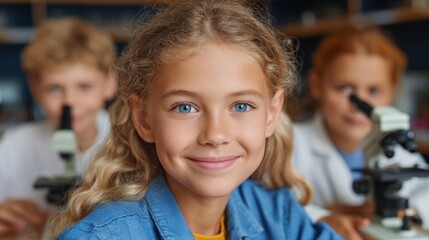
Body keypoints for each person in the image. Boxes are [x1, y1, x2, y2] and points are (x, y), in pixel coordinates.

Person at [45, 1, 342, 239]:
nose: (215, 134)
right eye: (185, 107)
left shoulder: (279, 214)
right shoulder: (103, 236)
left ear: (272, 113)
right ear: (144, 119)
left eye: (241, 105)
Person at [292, 28, 429, 239]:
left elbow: (424, 189)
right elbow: (269, 204)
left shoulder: (394, 146)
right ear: (316, 85)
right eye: (344, 88)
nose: (359, 105)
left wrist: (411, 211)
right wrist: (322, 214)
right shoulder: (292, 143)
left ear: (392, 91)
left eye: (373, 91)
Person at [0, 17, 117, 235]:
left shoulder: (128, 142)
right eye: (54, 88)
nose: (69, 102)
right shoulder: (13, 147)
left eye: (84, 87)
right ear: (34, 88)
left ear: (110, 83)